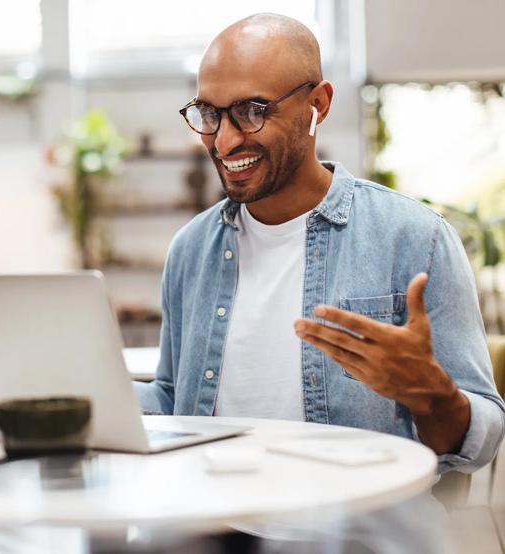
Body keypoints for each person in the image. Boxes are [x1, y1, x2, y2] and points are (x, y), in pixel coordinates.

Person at [133, 13, 504, 473]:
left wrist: (432, 397)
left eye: (252, 111)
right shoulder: (191, 248)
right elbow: (173, 398)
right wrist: (90, 390)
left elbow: (483, 440)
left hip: (355, 533)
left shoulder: (413, 238)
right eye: (209, 114)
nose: (224, 141)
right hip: (213, 523)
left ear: (318, 104)